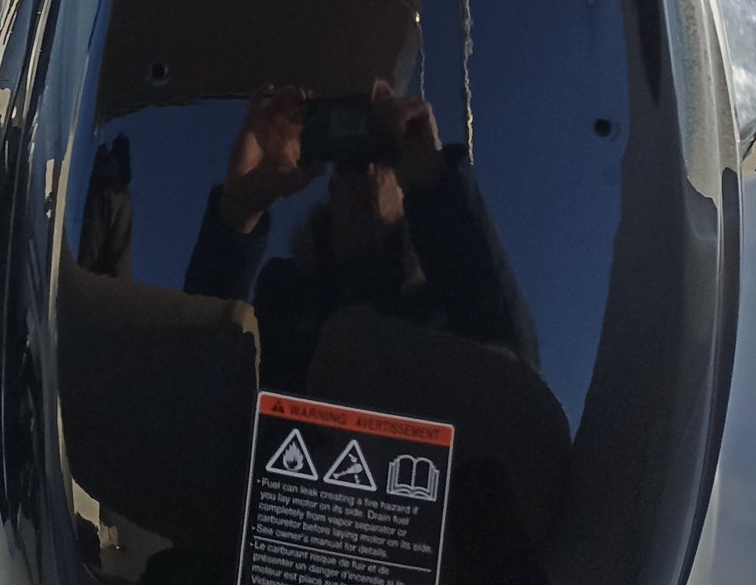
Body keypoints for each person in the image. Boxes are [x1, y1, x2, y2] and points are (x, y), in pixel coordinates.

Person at [182, 79, 537, 388]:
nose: (365, 171)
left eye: (381, 155)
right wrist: (239, 210)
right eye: (347, 164)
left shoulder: (444, 310)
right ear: (330, 198)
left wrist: (435, 182)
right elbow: (196, 372)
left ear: (408, 196)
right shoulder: (284, 301)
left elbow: (515, 390)